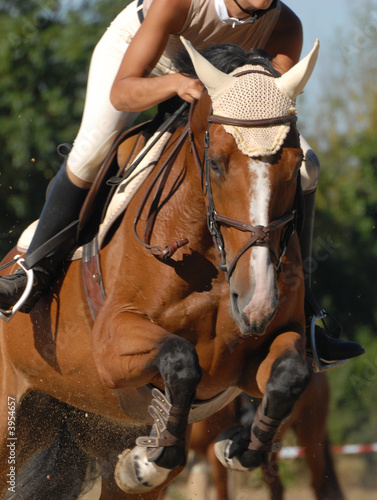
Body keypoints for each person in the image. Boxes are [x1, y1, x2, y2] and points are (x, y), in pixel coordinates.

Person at [0, 0, 364, 363]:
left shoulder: (286, 25)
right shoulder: (181, 2)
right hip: (143, 66)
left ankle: (303, 305)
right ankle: (33, 271)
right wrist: (173, 83)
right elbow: (122, 92)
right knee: (90, 153)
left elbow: (270, 115)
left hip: (220, 89)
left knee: (306, 167)